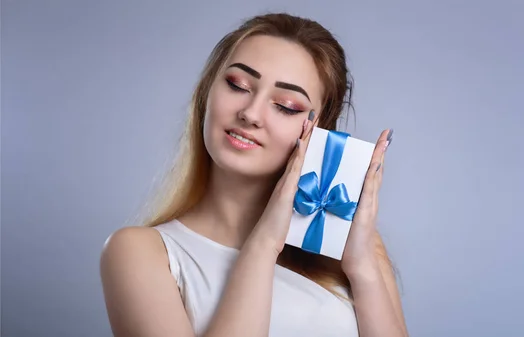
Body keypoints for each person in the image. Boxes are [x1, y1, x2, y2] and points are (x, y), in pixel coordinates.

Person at [100, 12, 408, 337]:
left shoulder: (358, 249)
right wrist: (263, 244)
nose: (250, 114)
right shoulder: (139, 252)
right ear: (206, 92)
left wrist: (362, 267)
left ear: (319, 131)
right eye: (238, 85)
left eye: (286, 106)